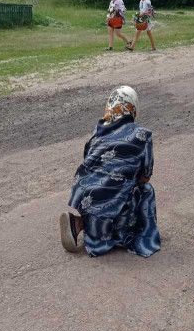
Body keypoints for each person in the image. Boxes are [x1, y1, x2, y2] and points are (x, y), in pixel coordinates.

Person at [60, 86, 161, 256]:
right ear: (133, 108)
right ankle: (140, 233)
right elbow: (145, 176)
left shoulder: (97, 132)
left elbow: (89, 163)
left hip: (85, 197)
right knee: (145, 191)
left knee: (109, 194)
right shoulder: (142, 135)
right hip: (108, 204)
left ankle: (78, 224)